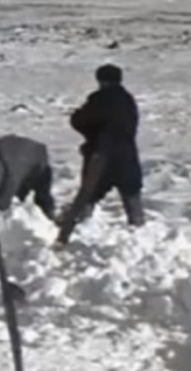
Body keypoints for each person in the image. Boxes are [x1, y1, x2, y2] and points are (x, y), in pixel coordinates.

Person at [56, 64, 144, 244]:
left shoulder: (99, 99)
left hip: (101, 156)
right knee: (131, 196)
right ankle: (141, 237)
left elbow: (80, 120)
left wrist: (87, 128)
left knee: (88, 195)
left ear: (101, 80)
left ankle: (72, 235)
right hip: (127, 156)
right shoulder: (128, 100)